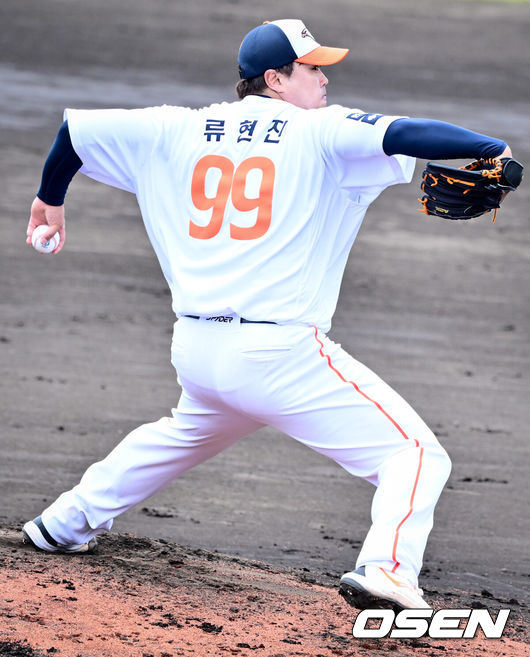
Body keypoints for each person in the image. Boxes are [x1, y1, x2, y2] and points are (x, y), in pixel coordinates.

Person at [23, 19, 514, 611]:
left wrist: (49, 199)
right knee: (414, 455)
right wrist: (493, 150)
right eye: (312, 67)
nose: (324, 78)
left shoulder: (176, 125)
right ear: (276, 79)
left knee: (185, 431)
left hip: (198, 351)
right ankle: (388, 570)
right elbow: (406, 132)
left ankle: (65, 522)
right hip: (279, 356)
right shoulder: (319, 131)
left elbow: (75, 132)